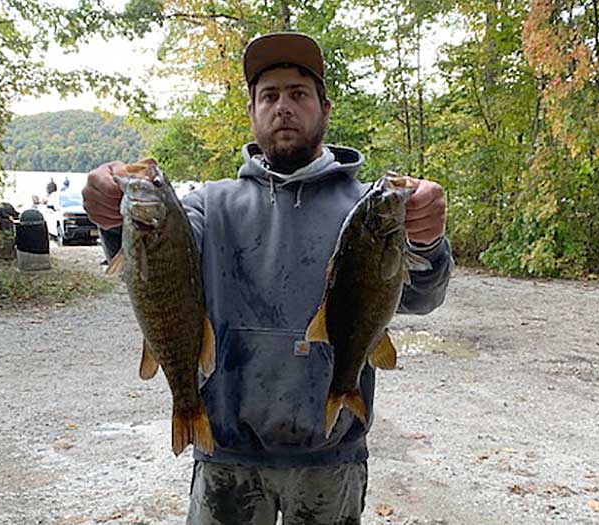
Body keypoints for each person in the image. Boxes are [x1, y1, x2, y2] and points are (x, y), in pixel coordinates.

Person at [82, 32, 453, 525]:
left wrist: (426, 238)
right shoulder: (207, 206)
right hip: (225, 453)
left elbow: (423, 295)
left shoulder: (369, 211)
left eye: (298, 94)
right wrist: (112, 218)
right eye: (269, 96)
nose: (283, 107)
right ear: (253, 111)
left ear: (324, 108)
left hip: (330, 457)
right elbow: (156, 264)